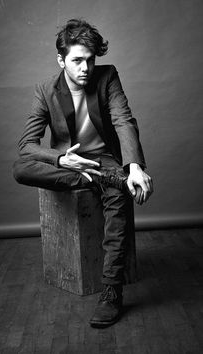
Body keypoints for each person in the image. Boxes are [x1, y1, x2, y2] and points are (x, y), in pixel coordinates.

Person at [13, 18, 153, 328]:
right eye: (77, 60)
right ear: (61, 59)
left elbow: (123, 121)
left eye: (90, 60)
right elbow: (27, 146)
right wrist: (62, 158)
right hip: (70, 163)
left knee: (118, 191)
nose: (85, 68)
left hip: (105, 160)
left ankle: (111, 291)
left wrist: (134, 167)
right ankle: (103, 179)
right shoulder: (45, 90)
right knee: (20, 167)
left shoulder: (107, 77)